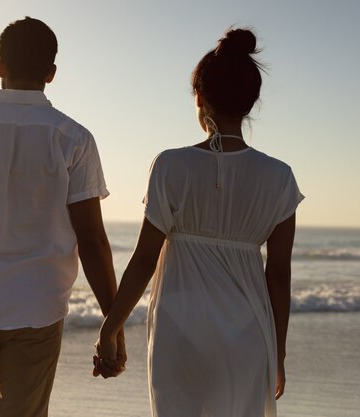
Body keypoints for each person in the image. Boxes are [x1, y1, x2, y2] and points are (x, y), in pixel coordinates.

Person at [94, 28, 303, 417]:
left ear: (200, 97)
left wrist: (110, 329)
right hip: (249, 333)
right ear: (250, 102)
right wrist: (280, 352)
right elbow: (278, 276)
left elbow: (143, 261)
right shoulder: (280, 177)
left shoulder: (171, 165)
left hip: (179, 331)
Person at [0, 16, 125, 417]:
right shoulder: (73, 137)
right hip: (38, 308)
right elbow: (93, 241)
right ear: (51, 73)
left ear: (0, 65)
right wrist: (112, 323)